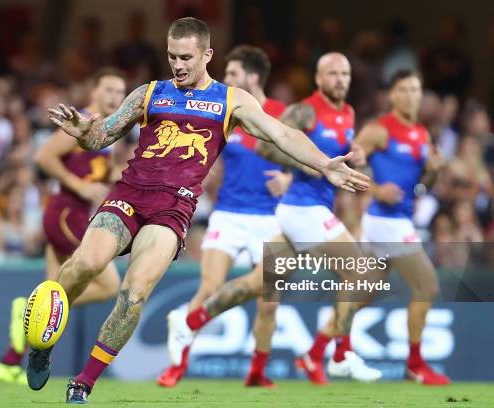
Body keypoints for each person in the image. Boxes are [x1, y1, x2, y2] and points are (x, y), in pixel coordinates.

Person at [41, 17, 369, 403]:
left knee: (133, 292)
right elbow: (102, 135)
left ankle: (84, 382)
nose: (177, 65)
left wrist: (324, 163)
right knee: (85, 265)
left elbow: (282, 135)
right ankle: (42, 339)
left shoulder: (230, 100)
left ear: (207, 54)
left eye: (185, 57)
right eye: (171, 56)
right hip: (129, 195)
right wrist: (84, 133)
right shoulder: (150, 93)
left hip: (173, 208)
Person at [168, 53, 382, 386]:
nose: (341, 79)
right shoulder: (304, 110)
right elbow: (268, 150)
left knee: (257, 287)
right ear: (318, 78)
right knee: (361, 272)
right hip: (301, 208)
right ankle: (339, 353)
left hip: (302, 210)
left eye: (345, 73)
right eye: (333, 73)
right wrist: (303, 168)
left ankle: (191, 320)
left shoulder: (348, 114)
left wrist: (357, 155)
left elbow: (337, 153)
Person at [157, 45, 289, 388]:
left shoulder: (281, 114)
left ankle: (257, 371)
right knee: (209, 286)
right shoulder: (225, 110)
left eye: (232, 74)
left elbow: (300, 153)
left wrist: (289, 178)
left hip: (270, 219)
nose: (225, 79)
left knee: (269, 301)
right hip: (228, 214)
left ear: (253, 77)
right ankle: (176, 367)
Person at [312, 70, 450, 385]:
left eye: (416, 89)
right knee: (427, 286)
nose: (411, 96)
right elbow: (347, 161)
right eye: (404, 90)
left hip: (396, 220)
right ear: (393, 95)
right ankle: (415, 365)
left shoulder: (421, 133)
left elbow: (421, 186)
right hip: (385, 222)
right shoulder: (380, 129)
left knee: (363, 295)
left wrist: (435, 173)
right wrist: (375, 189)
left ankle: (314, 351)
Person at [0, 68, 126, 384]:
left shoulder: (107, 131)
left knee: (55, 286)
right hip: (67, 213)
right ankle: (31, 308)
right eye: (109, 89)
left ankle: (10, 361)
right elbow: (44, 156)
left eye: (120, 92)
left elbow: (95, 171)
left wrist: (113, 176)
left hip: (71, 215)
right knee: (108, 285)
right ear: (94, 90)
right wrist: (78, 186)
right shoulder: (83, 120)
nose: (115, 97)